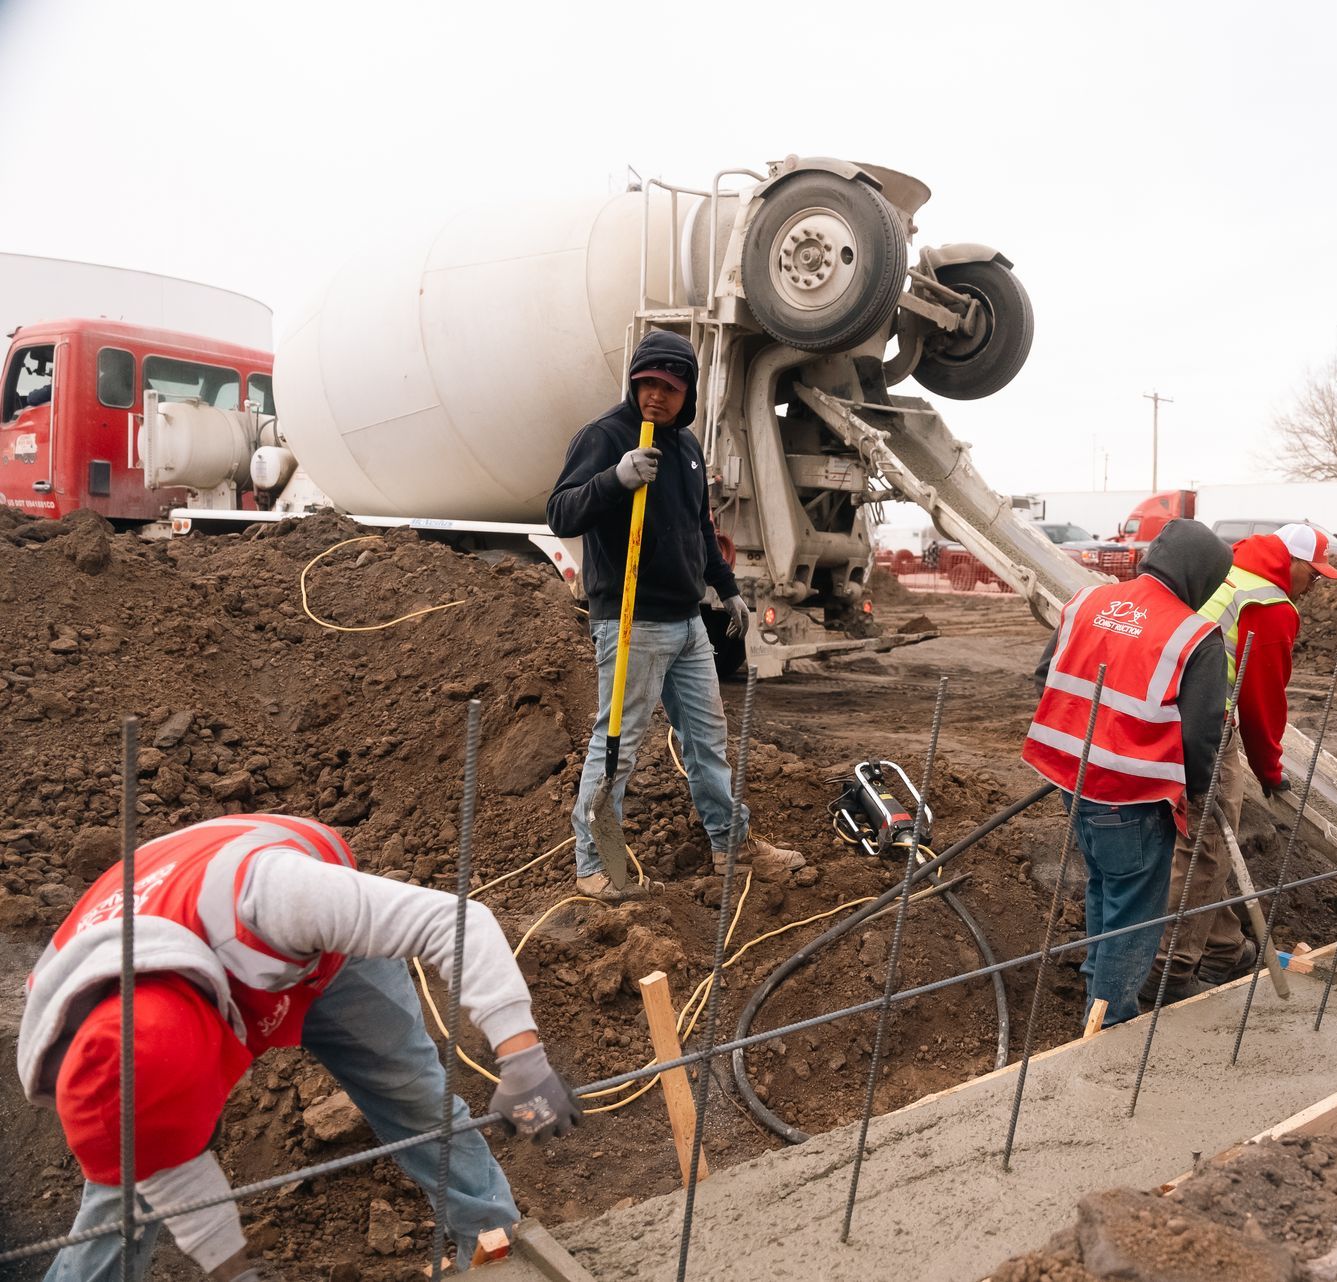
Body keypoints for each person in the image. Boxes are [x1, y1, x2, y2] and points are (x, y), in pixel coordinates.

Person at [18, 814, 579, 1282]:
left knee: (413, 1096)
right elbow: (159, 1162)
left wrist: (524, 1061)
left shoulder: (275, 898)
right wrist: (232, 1268)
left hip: (310, 946)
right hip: (184, 939)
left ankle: (493, 1247)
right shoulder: (64, 1037)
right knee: (125, 1184)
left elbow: (457, 922)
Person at [547, 330, 804, 900]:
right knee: (616, 747)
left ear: (686, 391)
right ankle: (595, 864)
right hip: (631, 622)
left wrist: (727, 588)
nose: (656, 396)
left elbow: (698, 530)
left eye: (669, 386)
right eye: (648, 384)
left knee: (708, 743)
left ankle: (730, 847)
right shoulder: (605, 436)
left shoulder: (686, 447)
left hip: (688, 625)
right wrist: (615, 479)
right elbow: (560, 511)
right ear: (634, 383)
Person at [1024, 519, 1232, 1026]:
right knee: (1134, 913)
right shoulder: (1195, 635)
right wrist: (1197, 791)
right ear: (1201, 577)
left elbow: (1043, 676)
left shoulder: (1086, 602)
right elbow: (1201, 733)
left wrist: (1089, 742)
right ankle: (1112, 1019)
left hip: (1070, 778)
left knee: (1105, 884)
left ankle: (1098, 984)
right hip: (1132, 795)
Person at [1153, 523, 1337, 999]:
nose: (1314, 585)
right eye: (1313, 574)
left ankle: (1222, 947)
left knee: (1201, 845)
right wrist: (1270, 771)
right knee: (1207, 845)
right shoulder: (1270, 606)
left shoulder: (1229, 570)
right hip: (1205, 722)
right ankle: (1169, 973)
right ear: (1292, 563)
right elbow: (1262, 700)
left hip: (1157, 710)